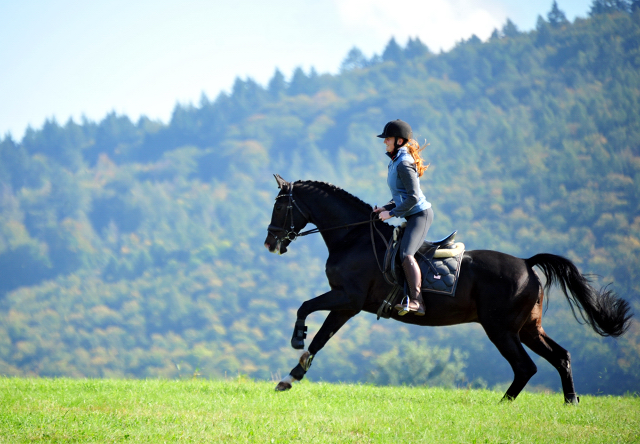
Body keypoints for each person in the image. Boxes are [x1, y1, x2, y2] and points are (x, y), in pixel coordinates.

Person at [374, 119, 433, 316]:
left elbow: (413, 197)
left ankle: (418, 302)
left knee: (406, 254)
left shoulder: (403, 163)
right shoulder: (395, 161)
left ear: (399, 141)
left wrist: (390, 214)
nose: (385, 142)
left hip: (420, 215)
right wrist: (385, 206)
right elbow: (400, 195)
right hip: (411, 214)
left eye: (387, 138)